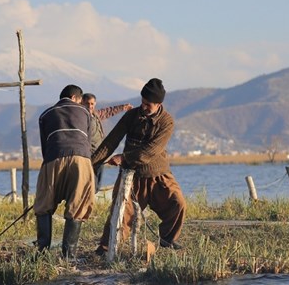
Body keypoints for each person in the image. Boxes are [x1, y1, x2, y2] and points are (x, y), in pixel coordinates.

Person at [91, 78, 186, 255]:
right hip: (131, 175)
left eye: (147, 104)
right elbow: (110, 142)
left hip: (159, 175)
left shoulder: (167, 122)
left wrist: (123, 157)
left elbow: (151, 151)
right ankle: (106, 248)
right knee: (120, 213)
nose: (143, 107)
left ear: (158, 104)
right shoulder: (131, 116)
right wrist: (92, 163)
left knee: (177, 203)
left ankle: (167, 239)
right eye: (142, 102)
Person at [35, 84, 95, 259]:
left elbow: (44, 146)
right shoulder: (85, 113)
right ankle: (69, 256)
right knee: (78, 205)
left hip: (53, 157)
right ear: (76, 98)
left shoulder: (45, 115)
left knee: (44, 204)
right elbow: (88, 141)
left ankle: (42, 253)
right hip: (81, 159)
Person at [81, 93, 133, 191]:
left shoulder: (95, 114)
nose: (90, 106)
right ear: (82, 103)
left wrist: (123, 107)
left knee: (97, 183)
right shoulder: (81, 117)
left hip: (100, 152)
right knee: (89, 181)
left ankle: (92, 198)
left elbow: (108, 112)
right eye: (87, 104)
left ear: (95, 104)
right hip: (89, 154)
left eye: (92, 104)